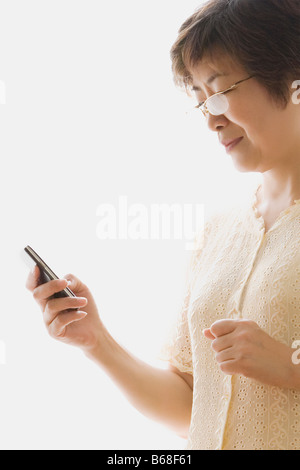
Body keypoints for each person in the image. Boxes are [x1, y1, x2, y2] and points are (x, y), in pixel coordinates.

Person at [26, 0, 300, 450]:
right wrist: (97, 342)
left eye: (218, 91)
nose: (210, 118)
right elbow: (194, 409)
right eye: (198, 102)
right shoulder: (217, 233)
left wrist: (291, 366)